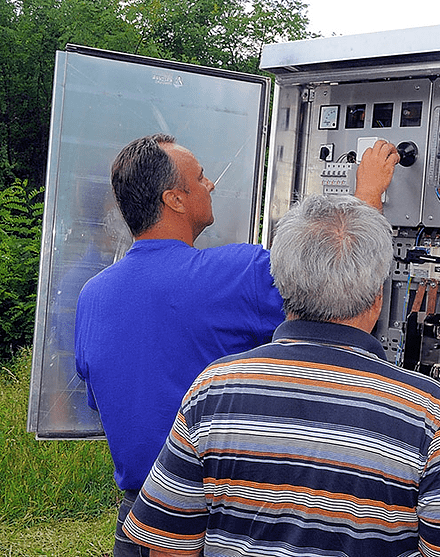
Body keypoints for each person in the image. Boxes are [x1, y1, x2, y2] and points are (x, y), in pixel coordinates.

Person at [122, 194, 440, 557]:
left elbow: (169, 541)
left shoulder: (213, 389)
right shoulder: (428, 412)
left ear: (281, 285)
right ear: (377, 298)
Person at [74, 134, 399, 557]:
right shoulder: (234, 274)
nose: (211, 185)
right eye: (201, 177)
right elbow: (335, 278)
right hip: (218, 524)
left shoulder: (92, 295)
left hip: (136, 525)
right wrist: (367, 194)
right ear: (174, 199)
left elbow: (110, 404)